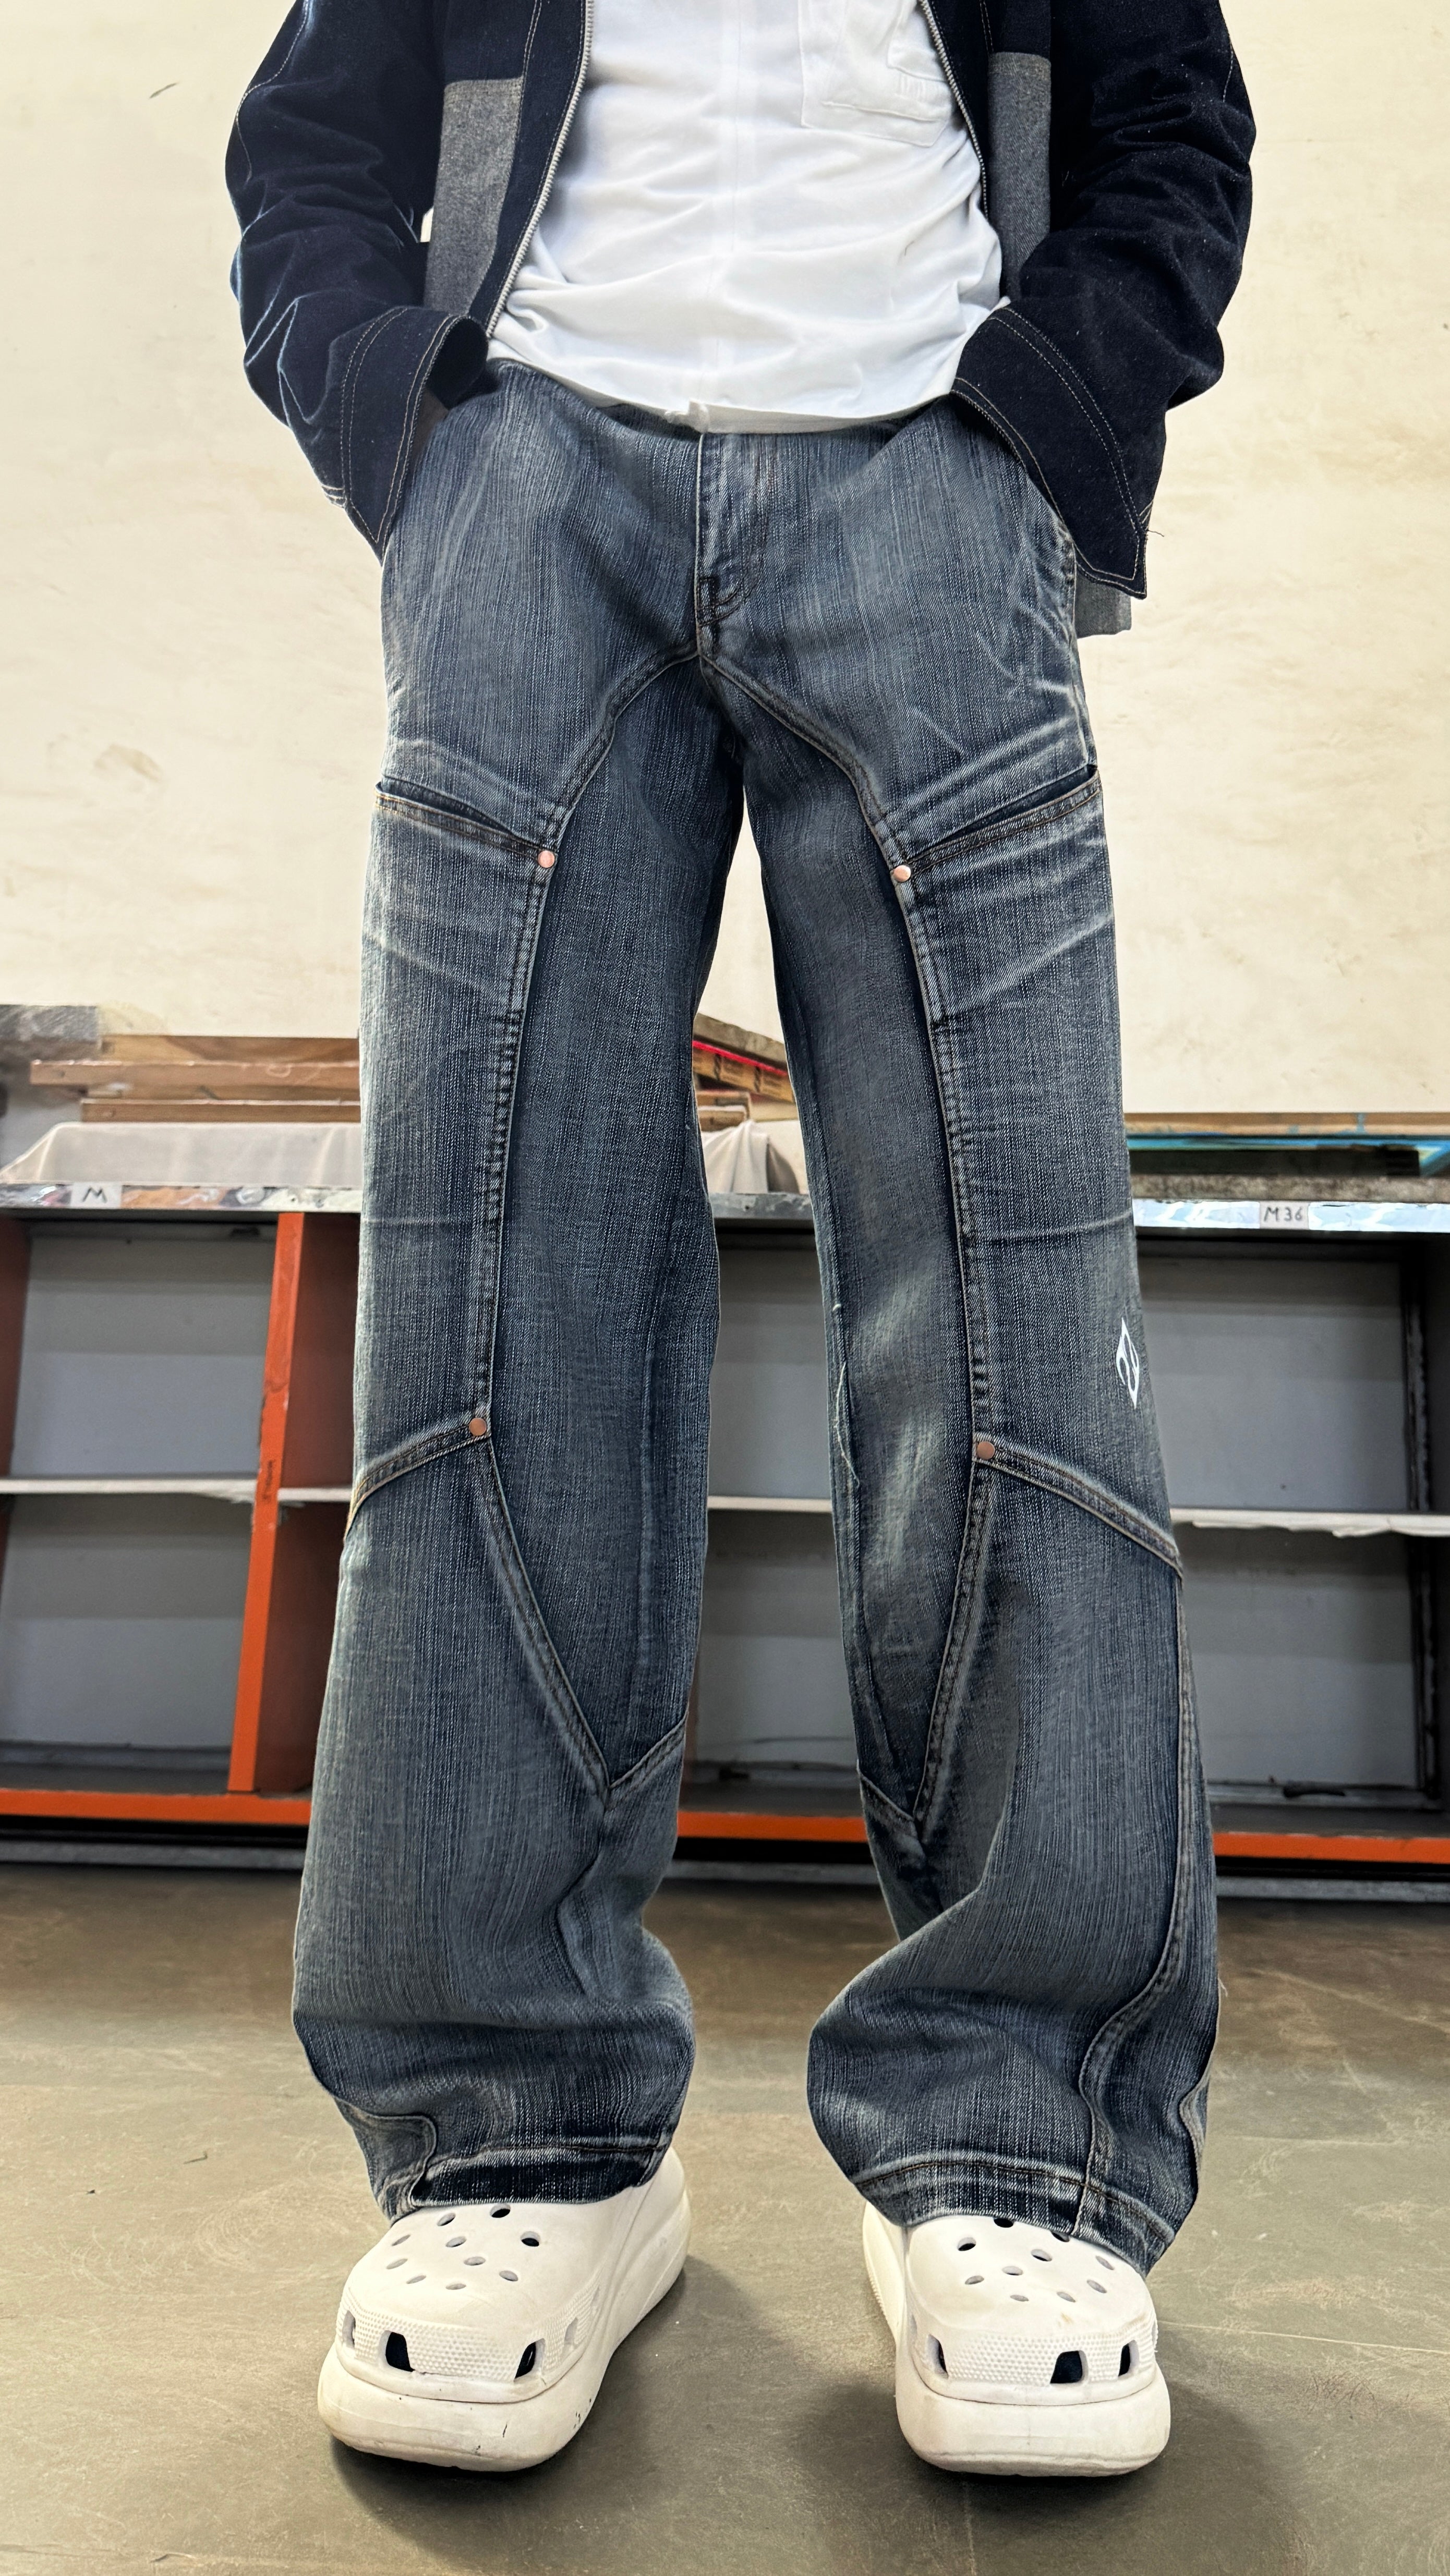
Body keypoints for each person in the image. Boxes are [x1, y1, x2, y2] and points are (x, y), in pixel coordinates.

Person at [229, 0, 1252, 2480]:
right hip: (530, 491)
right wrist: (413, 432)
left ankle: (1017, 2139)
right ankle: (515, 2129)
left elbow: (1167, 136)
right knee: (493, 1313)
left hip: (927, 470)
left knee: (1010, 1324)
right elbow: (308, 155)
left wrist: (1033, 420)